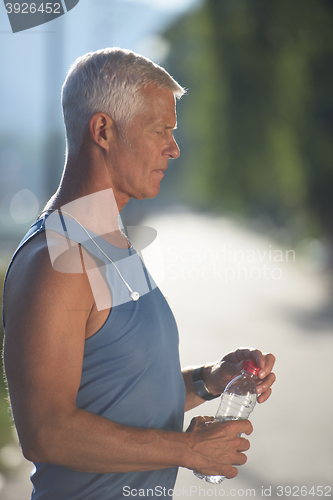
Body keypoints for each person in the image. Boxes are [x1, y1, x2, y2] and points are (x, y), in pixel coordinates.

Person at [2, 48, 276, 499]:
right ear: (104, 130)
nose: (174, 146)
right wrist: (187, 449)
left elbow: (123, 392)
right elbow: (46, 432)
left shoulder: (112, 242)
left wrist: (209, 379)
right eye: (160, 130)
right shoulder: (56, 259)